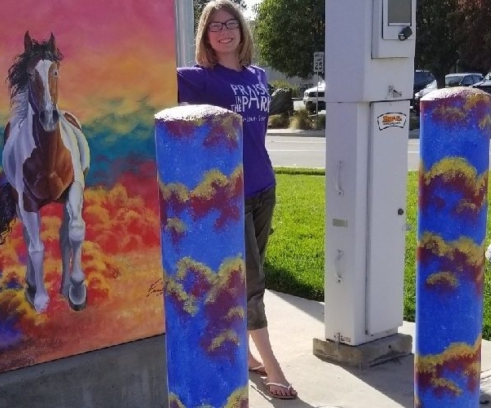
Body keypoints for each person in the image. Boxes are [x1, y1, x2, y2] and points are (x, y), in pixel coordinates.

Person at [176, 0, 297, 401]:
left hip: (264, 186)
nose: (224, 31)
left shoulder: (258, 75)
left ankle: (245, 352)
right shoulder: (199, 79)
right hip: (231, 195)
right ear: (205, 36)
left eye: (231, 24)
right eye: (214, 26)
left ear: (242, 30)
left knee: (251, 274)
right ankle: (273, 367)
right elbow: (149, 82)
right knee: (253, 283)